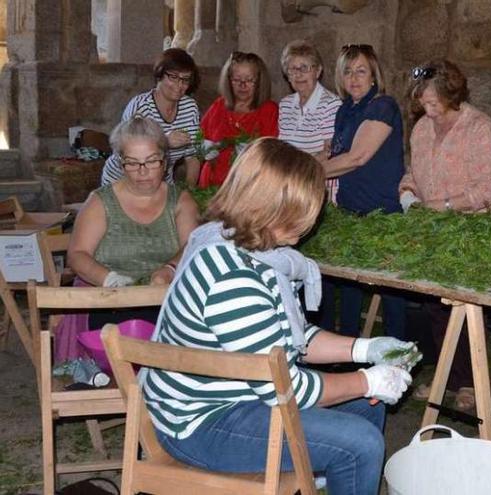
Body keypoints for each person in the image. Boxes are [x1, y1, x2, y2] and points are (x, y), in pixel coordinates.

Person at [141, 138, 420, 494]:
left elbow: (294, 339)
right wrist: (367, 380)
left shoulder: (252, 252)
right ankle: (336, 466)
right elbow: (286, 389)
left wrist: (366, 349)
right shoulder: (232, 278)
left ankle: (327, 476)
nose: (312, 220)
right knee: (361, 441)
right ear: (272, 209)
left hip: (238, 399)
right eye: (305, 211)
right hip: (201, 424)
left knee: (367, 409)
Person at [399, 58, 491, 410]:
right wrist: (408, 195)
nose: (426, 109)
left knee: (466, 308)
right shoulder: (422, 129)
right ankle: (446, 375)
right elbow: (412, 172)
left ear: (451, 94)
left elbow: (488, 189)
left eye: (432, 102)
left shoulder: (478, 128)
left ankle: (471, 383)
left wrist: (443, 206)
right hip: (433, 231)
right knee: (434, 308)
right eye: (421, 102)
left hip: (472, 230)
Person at [68, 116, 199, 331]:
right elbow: (77, 254)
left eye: (151, 161)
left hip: (165, 302)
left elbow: (192, 245)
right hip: (110, 304)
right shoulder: (100, 201)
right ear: (121, 163)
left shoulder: (181, 201)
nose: (142, 170)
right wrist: (108, 279)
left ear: (164, 162)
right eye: (132, 162)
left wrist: (169, 268)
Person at [315, 44, 407, 340]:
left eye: (361, 71)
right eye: (347, 71)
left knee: (390, 289)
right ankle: (342, 355)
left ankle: (397, 360)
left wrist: (303, 173)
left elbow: (356, 158)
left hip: (381, 213)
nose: (354, 78)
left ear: (374, 75)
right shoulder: (345, 109)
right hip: (350, 209)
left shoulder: (383, 106)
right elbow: (334, 156)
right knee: (343, 285)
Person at [100, 48, 202, 186]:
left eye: (185, 80)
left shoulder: (190, 107)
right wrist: (164, 142)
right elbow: (125, 153)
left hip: (162, 183)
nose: (179, 85)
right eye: (173, 77)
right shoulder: (140, 107)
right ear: (159, 75)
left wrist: (189, 190)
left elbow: (193, 155)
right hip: (123, 182)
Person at [199, 51, 279, 186]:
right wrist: (204, 149)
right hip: (211, 186)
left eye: (249, 80)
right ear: (228, 80)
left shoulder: (270, 110)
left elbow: (272, 155)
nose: (242, 85)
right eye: (236, 79)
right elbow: (199, 141)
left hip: (248, 187)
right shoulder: (218, 106)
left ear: (259, 81)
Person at [278, 40, 343, 202]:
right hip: (290, 185)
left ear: (318, 71)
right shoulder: (285, 104)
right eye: (293, 69)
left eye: (305, 68)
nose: (299, 74)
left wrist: (295, 171)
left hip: (318, 186)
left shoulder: (331, 104)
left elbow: (329, 152)